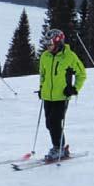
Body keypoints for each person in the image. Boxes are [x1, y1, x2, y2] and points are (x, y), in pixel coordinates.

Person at [38, 29, 86, 161]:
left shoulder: (69, 57)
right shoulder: (45, 56)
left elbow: (81, 74)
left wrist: (74, 88)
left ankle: (58, 148)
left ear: (58, 43)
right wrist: (41, 88)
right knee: (49, 123)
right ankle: (61, 147)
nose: (48, 46)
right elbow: (43, 75)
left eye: (50, 43)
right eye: (47, 44)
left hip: (62, 96)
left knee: (55, 121)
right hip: (47, 96)